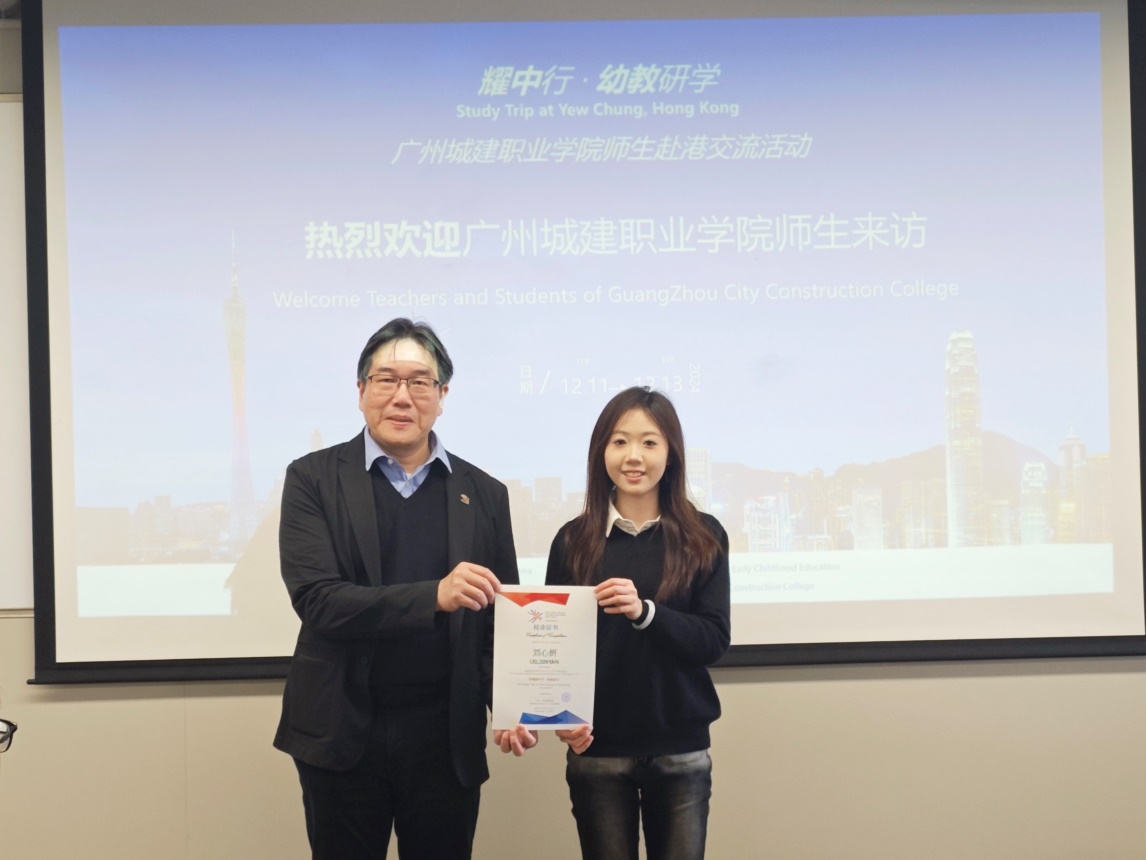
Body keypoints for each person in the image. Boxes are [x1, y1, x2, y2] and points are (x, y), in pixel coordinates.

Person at [274, 318, 531, 860]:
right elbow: (319, 602)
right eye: (386, 379)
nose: (401, 396)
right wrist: (433, 596)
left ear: (442, 396)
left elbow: (497, 623)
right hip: (342, 730)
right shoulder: (312, 479)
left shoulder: (485, 493)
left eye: (419, 381)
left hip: (444, 734)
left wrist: (512, 707)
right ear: (361, 390)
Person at [546, 387, 730, 860]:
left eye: (649, 442)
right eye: (619, 441)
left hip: (679, 748)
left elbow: (712, 639)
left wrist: (646, 613)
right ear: (601, 452)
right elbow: (553, 649)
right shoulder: (572, 541)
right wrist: (558, 718)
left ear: (671, 454)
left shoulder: (704, 536)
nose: (634, 456)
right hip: (597, 749)